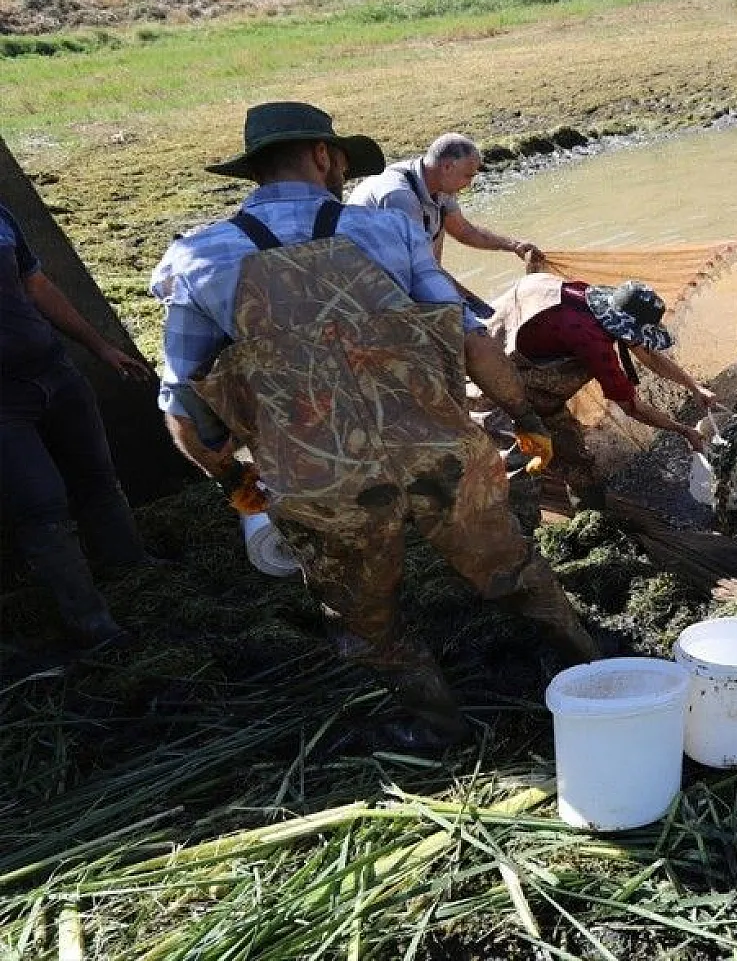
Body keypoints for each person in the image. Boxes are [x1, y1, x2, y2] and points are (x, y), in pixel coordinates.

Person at [150, 101, 597, 752]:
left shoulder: (196, 258)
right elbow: (473, 346)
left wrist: (233, 481)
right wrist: (527, 419)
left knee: (367, 621)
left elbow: (184, 407)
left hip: (321, 479)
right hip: (440, 451)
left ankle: (441, 725)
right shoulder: (388, 232)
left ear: (256, 171)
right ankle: (589, 665)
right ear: (326, 157)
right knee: (513, 567)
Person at [1, 199, 154, 647]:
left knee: (98, 478)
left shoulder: (2, 215)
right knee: (42, 506)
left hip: (53, 370)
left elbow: (36, 285)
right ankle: (90, 622)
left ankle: (135, 570)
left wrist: (99, 346)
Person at [481, 273, 715, 512]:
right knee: (527, 463)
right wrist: (684, 431)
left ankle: (584, 504)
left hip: (494, 336)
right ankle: (547, 523)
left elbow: (648, 355)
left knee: (564, 452)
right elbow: (631, 407)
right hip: (495, 382)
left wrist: (694, 387)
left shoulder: (588, 297)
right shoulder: (593, 342)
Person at [347, 133, 542, 316]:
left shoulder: (439, 186)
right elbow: (417, 270)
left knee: (476, 316)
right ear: (447, 167)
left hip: (409, 269)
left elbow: (464, 231)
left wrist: (514, 245)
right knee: (474, 323)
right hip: (370, 285)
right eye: (468, 176)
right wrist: (473, 306)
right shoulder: (400, 197)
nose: (470, 183)